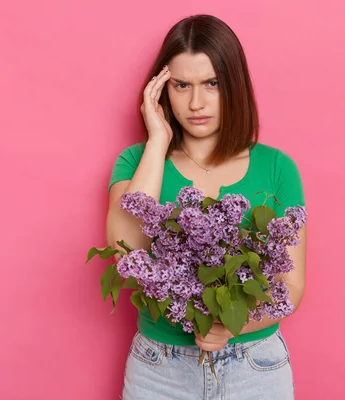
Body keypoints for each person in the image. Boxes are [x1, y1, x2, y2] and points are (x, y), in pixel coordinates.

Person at [106, 14, 307, 400]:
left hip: (255, 368)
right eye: (181, 85)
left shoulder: (278, 168)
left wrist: (234, 325)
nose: (196, 102)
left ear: (234, 86)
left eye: (211, 84)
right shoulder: (136, 162)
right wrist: (157, 141)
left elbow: (292, 285)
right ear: (162, 90)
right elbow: (123, 251)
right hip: (159, 370)